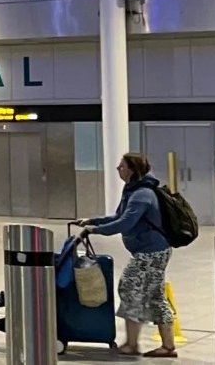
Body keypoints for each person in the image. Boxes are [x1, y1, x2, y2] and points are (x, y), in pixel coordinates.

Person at [74, 153, 178, 358]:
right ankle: (167, 346)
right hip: (152, 251)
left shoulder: (142, 194)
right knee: (155, 296)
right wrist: (92, 221)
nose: (118, 169)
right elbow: (118, 216)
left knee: (130, 289)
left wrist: (95, 230)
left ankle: (132, 344)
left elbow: (125, 223)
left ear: (132, 169)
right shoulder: (134, 190)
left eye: (121, 166)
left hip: (150, 253)